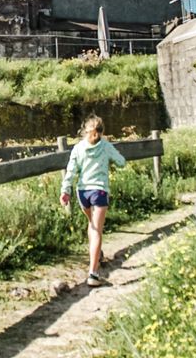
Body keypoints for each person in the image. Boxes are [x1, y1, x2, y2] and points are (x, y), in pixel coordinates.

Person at [59, 114, 126, 287]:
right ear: (102, 132)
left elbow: (71, 171)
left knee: (92, 224)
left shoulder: (78, 148)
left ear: (85, 131)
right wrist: (110, 159)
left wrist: (65, 190)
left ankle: (97, 255)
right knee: (97, 231)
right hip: (99, 191)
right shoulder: (105, 146)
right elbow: (122, 162)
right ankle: (93, 274)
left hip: (83, 193)